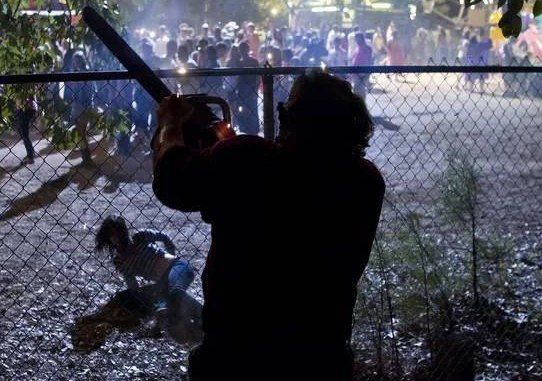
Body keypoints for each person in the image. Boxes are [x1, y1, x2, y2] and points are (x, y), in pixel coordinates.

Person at [152, 71, 384, 381]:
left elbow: (171, 180)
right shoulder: (366, 181)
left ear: (289, 117)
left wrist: (170, 122)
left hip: (238, 351)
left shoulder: (247, 158)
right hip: (322, 351)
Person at [94, 216, 201, 329]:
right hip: (162, 284)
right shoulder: (119, 261)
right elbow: (133, 287)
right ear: (107, 237)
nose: (116, 237)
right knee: (160, 306)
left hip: (177, 267)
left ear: (124, 230)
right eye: (112, 234)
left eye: (119, 231)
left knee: (175, 292)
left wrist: (171, 255)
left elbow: (164, 237)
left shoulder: (140, 237)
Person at [350, 32, 373, 99]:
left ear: (362, 39)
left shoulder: (367, 48)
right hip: (355, 74)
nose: (357, 40)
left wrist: (367, 74)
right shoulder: (357, 48)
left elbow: (369, 61)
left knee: (361, 93)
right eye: (356, 39)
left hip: (362, 75)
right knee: (355, 92)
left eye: (359, 39)